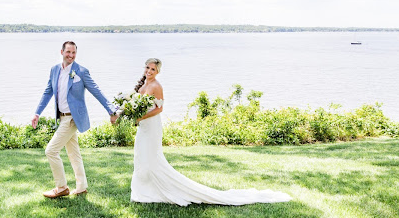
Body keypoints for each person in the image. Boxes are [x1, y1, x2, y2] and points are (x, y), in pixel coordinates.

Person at [111, 58, 292, 206]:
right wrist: (129, 114)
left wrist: (139, 118)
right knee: (141, 156)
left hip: (151, 126)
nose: (149, 71)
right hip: (143, 126)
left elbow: (159, 109)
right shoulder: (143, 85)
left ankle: (156, 190)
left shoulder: (156, 86)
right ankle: (144, 190)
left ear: (158, 72)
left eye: (153, 69)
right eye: (148, 67)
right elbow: (137, 106)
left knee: (151, 158)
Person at [32, 41, 116, 198]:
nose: (71, 55)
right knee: (73, 153)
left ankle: (61, 187)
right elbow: (48, 92)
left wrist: (111, 110)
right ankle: (81, 187)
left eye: (73, 53)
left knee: (51, 151)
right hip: (61, 117)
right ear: (62, 51)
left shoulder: (81, 72)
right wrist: (37, 113)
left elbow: (96, 91)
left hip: (73, 119)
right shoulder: (55, 70)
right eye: (68, 52)